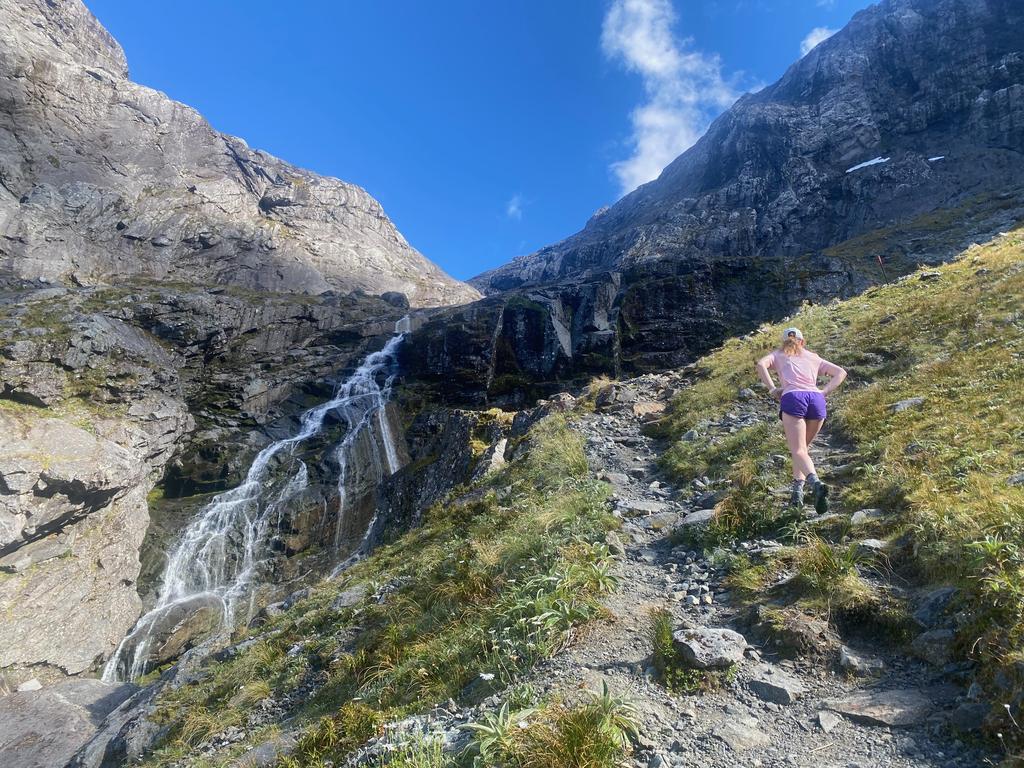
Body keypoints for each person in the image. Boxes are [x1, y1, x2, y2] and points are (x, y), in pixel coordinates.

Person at [755, 327, 847, 512]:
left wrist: (773, 389)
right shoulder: (813, 357)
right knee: (802, 450)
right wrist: (824, 391)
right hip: (816, 399)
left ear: (784, 342)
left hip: (793, 397)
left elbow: (760, 365)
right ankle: (797, 492)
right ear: (802, 341)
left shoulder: (779, 354)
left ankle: (815, 483)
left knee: (797, 450)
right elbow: (841, 372)